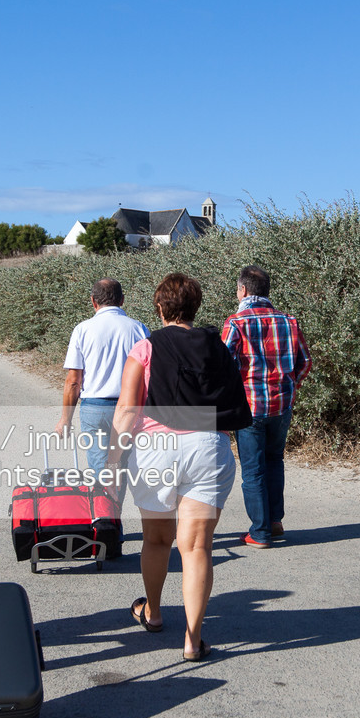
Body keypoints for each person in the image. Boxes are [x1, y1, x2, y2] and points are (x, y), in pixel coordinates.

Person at [114, 273, 251, 661]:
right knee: (196, 547)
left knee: (157, 540)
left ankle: (154, 612)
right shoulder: (218, 347)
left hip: (157, 448)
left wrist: (111, 462)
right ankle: (193, 638)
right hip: (207, 445)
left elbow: (126, 411)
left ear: (159, 308)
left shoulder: (145, 348)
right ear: (195, 307)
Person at [220, 265, 312, 549]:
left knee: (253, 470)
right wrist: (289, 385)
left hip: (250, 406)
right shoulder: (289, 321)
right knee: (275, 460)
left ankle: (259, 532)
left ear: (243, 290)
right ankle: (274, 521)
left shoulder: (235, 322)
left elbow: (225, 367)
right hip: (282, 404)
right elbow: (305, 362)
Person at [53, 279, 148, 491]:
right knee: (122, 468)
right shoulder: (139, 329)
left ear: (93, 301)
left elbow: (73, 381)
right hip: (130, 408)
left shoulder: (82, 330)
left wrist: (65, 418)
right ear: (122, 300)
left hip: (94, 408)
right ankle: (115, 518)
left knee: (100, 472)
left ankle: (105, 519)